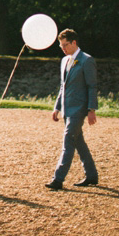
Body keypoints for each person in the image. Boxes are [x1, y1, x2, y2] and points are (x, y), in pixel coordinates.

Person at [45, 28, 99, 190]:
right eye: (61, 46)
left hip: (79, 109)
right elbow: (63, 86)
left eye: (65, 45)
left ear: (74, 42)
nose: (63, 48)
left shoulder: (87, 60)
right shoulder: (64, 61)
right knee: (78, 142)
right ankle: (92, 175)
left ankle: (58, 179)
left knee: (68, 141)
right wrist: (57, 107)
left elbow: (92, 86)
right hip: (67, 110)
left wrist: (91, 109)